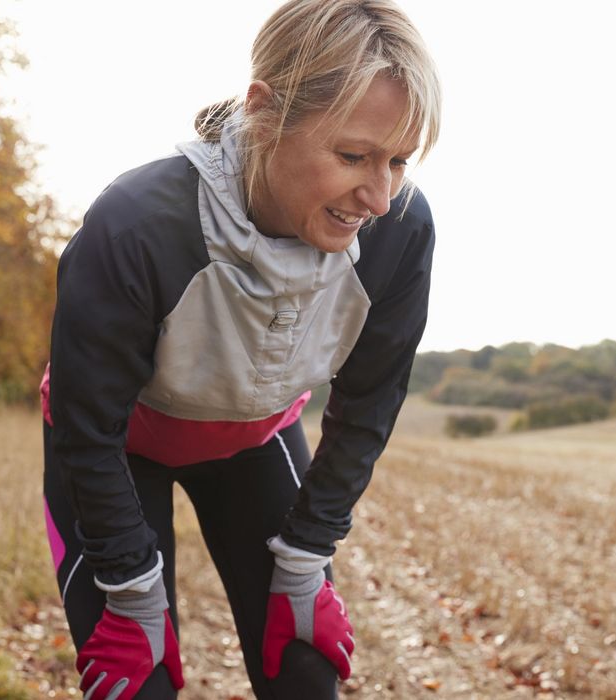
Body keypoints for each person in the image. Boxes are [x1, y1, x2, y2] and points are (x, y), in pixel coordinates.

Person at [40, 1, 441, 697]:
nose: (379, 196)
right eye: (353, 156)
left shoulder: (399, 230)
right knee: (141, 684)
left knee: (306, 677)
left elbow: (369, 403)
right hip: (114, 450)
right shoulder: (135, 224)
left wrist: (308, 554)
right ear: (264, 111)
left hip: (256, 442)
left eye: (398, 161)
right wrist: (134, 590)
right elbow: (87, 428)